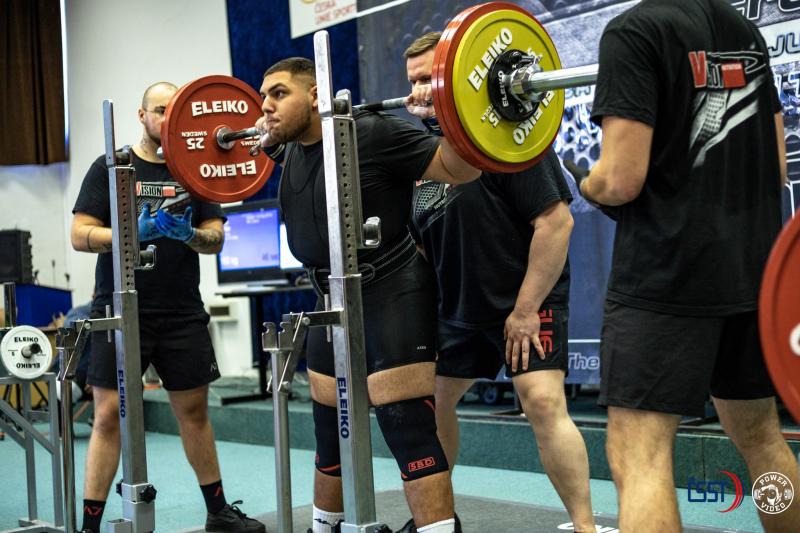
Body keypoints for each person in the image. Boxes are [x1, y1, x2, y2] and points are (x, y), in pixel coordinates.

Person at [577, 1, 797, 531]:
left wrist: (585, 183)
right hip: (753, 274)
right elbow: (776, 164)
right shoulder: (743, 31)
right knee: (763, 439)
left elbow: (619, 180)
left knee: (640, 453)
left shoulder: (634, 30)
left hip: (666, 274)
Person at [256, 57, 481, 533]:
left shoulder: (374, 131)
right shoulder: (293, 148)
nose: (266, 106)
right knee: (329, 433)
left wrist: (449, 113)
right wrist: (267, 139)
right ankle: (325, 527)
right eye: (263, 97)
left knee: (407, 425)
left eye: (278, 94)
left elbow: (461, 169)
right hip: (328, 297)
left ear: (315, 95)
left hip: (391, 289)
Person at [399, 32, 595, 533]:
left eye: (429, 78)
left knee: (543, 402)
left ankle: (585, 526)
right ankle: (435, 520)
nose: (419, 91)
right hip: (458, 309)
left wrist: (526, 310)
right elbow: (422, 242)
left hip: (524, 301)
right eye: (413, 82)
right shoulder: (420, 158)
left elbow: (556, 223)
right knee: (433, 403)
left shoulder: (507, 138)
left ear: (455, 78)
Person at [71, 82, 265, 533]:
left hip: (181, 310)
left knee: (194, 412)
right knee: (107, 417)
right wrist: (128, 235)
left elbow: (216, 238)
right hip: (119, 307)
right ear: (142, 116)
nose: (167, 116)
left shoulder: (194, 168)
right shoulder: (112, 166)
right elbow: (80, 235)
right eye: (159, 109)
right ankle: (89, 527)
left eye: (175, 109)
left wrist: (190, 235)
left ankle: (218, 512)